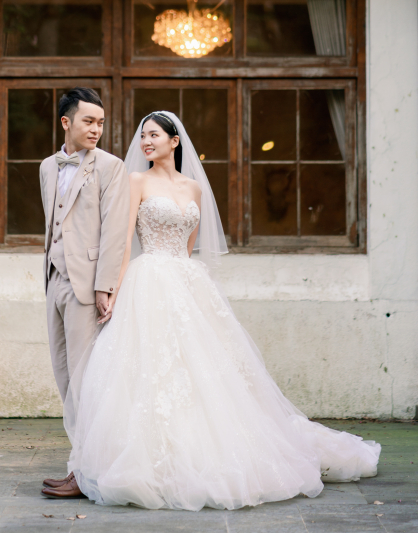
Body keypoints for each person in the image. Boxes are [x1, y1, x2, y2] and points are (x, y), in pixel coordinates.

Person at [63, 110, 381, 512]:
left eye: (154, 135)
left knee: (210, 369)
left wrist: (185, 274)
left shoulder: (194, 188)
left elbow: (191, 241)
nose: (146, 142)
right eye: (143, 136)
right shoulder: (135, 181)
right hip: (149, 280)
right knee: (150, 368)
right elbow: (125, 241)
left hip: (187, 281)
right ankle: (150, 455)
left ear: (174, 142)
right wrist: (111, 289)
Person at [39, 87, 130, 501]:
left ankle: (85, 471)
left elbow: (115, 231)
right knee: (64, 377)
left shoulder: (111, 168)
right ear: (66, 123)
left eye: (100, 122)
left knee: (85, 381)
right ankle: (79, 462)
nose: (96, 129)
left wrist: (104, 287)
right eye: (89, 121)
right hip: (54, 281)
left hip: (87, 287)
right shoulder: (47, 167)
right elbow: (55, 226)